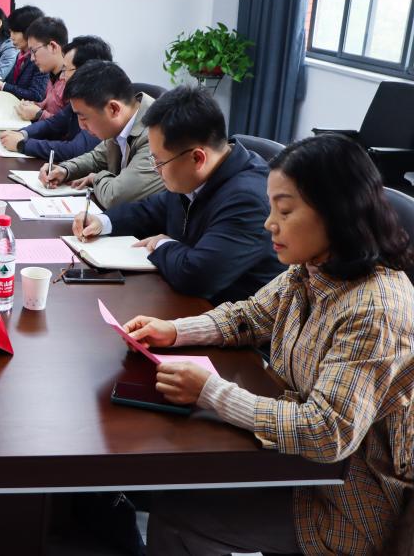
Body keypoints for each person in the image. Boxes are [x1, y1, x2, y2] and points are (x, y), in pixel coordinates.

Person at [124, 133, 414, 555]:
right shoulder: (313, 268)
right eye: (271, 207)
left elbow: (326, 431)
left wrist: (211, 392)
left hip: (344, 501)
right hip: (295, 465)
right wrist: (175, 331)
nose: (269, 223)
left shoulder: (375, 309)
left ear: (337, 212)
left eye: (285, 210)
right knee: (178, 489)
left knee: (181, 515)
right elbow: (250, 315)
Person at [73, 86, 283, 304]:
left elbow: (197, 277)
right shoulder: (198, 175)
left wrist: (163, 245)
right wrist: (103, 222)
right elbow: (152, 209)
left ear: (197, 158)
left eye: (160, 161)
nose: (155, 169)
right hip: (184, 302)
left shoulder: (248, 200)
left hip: (223, 316)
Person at [40, 60, 165, 208]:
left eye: (83, 117)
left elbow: (116, 197)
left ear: (113, 109)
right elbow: (97, 158)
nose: (81, 126)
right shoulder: (122, 123)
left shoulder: (157, 133)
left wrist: (96, 178)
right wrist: (65, 170)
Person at [0, 35, 108, 161]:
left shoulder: (101, 103)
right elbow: (53, 123)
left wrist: (22, 144)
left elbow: (74, 150)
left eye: (66, 70)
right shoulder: (81, 98)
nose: (62, 77)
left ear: (87, 70)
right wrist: (22, 134)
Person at [0, 5, 48, 101]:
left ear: (29, 32)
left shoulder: (40, 59)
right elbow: (13, 86)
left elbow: (36, 95)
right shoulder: (19, 55)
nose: (11, 37)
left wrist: (2, 86)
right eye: (10, 32)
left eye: (15, 32)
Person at [15, 16, 69, 122]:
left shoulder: (70, 81)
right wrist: (33, 106)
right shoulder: (52, 76)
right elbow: (49, 106)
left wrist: (39, 114)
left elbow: (71, 126)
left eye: (34, 51)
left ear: (53, 47)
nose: (32, 58)